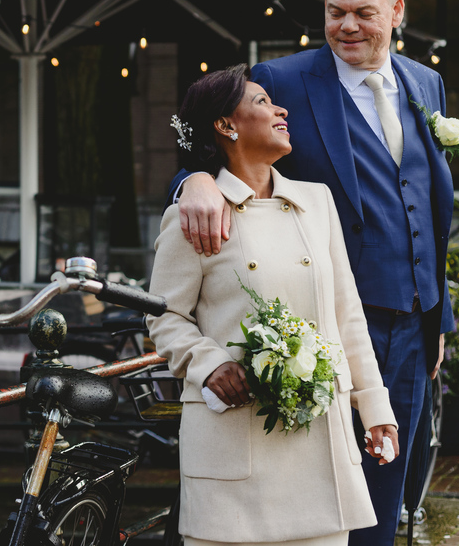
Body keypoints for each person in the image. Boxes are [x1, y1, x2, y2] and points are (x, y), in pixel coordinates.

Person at [169, 0, 455, 545]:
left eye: (363, 13)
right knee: (316, 487)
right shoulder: (282, 82)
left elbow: (426, 203)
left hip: (414, 320)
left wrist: (438, 315)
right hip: (323, 320)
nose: (347, 26)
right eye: (335, 12)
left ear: (396, 12)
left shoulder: (426, 83)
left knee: (386, 486)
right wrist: (190, 183)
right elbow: (213, 144)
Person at [149, 65, 398, 546]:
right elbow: (163, 315)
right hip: (234, 449)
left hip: (320, 451)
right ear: (227, 125)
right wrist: (209, 363)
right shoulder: (195, 213)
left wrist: (375, 407)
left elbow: (347, 315)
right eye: (262, 102)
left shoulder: (317, 202)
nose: (281, 109)